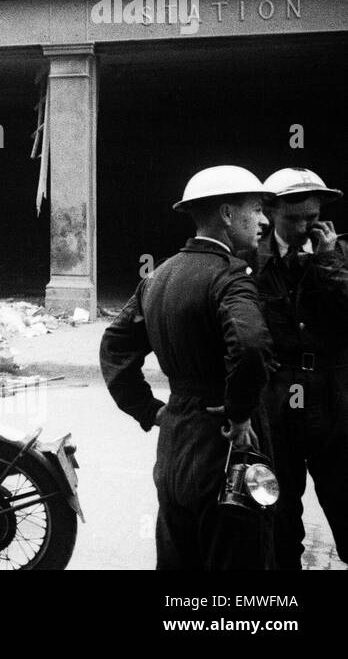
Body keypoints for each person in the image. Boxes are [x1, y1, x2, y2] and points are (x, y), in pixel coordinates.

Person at [101, 165, 277, 569]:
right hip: (224, 444)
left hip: (175, 442)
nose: (265, 221)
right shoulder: (230, 278)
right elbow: (251, 347)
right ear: (228, 215)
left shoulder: (159, 275)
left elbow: (114, 345)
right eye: (256, 210)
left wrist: (149, 410)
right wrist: (239, 413)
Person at [253, 167, 348, 569]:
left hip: (333, 400)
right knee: (279, 517)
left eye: (312, 217)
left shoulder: (339, 253)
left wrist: (327, 263)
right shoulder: (251, 258)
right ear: (270, 212)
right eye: (294, 219)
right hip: (277, 403)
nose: (305, 227)